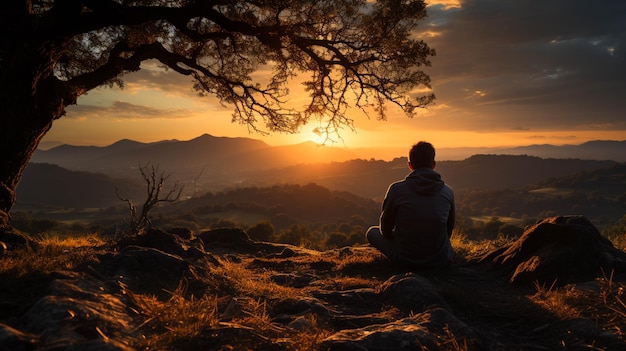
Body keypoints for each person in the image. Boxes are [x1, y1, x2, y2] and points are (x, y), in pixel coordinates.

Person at [366, 141, 455, 268]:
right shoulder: (448, 192)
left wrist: (400, 235)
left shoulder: (396, 189)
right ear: (433, 164)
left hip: (406, 259)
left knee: (371, 232)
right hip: (440, 260)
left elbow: (385, 229)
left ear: (410, 165)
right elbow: (449, 229)